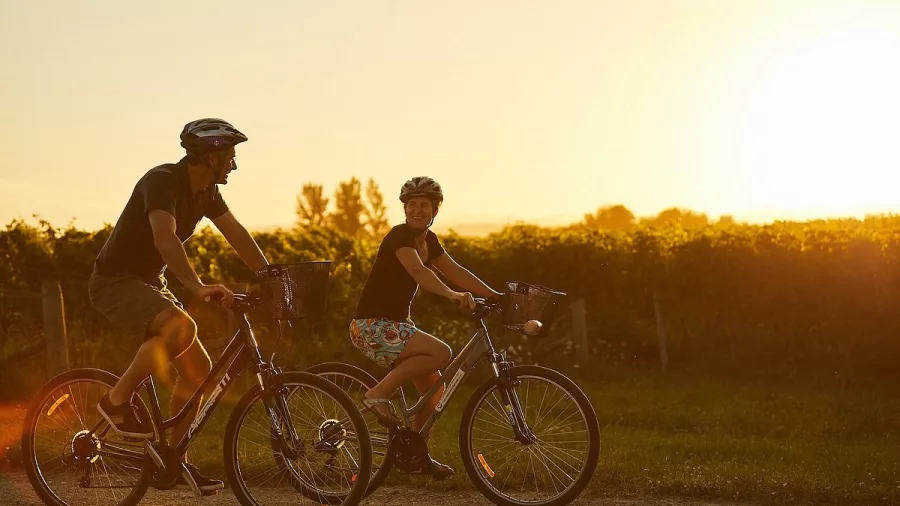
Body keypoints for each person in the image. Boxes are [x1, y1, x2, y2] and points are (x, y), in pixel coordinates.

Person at [89, 118, 270, 493]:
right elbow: (165, 238)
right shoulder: (162, 181)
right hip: (115, 281)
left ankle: (172, 461)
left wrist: (271, 274)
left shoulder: (207, 194)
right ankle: (116, 400)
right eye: (230, 155)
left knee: (198, 370)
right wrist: (197, 285)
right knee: (182, 326)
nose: (234, 164)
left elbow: (235, 233)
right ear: (211, 155)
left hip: (150, 283)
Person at [349, 176, 501, 477]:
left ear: (435, 211)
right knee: (440, 352)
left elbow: (455, 270)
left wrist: (496, 296)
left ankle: (415, 456)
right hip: (372, 325)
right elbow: (418, 271)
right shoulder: (398, 237)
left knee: (434, 392)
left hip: (396, 326)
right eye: (412, 205)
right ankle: (376, 395)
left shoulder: (428, 241)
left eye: (425, 206)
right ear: (405, 209)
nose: (418, 210)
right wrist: (451, 295)